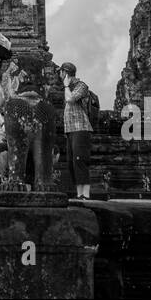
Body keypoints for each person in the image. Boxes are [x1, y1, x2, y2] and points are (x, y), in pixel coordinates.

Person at [61, 62, 92, 200]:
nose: (59, 75)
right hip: (70, 130)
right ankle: (79, 193)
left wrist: (66, 86)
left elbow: (70, 99)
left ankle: (85, 194)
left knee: (80, 160)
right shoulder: (66, 87)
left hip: (81, 128)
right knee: (71, 162)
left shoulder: (81, 86)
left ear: (66, 73)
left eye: (61, 72)